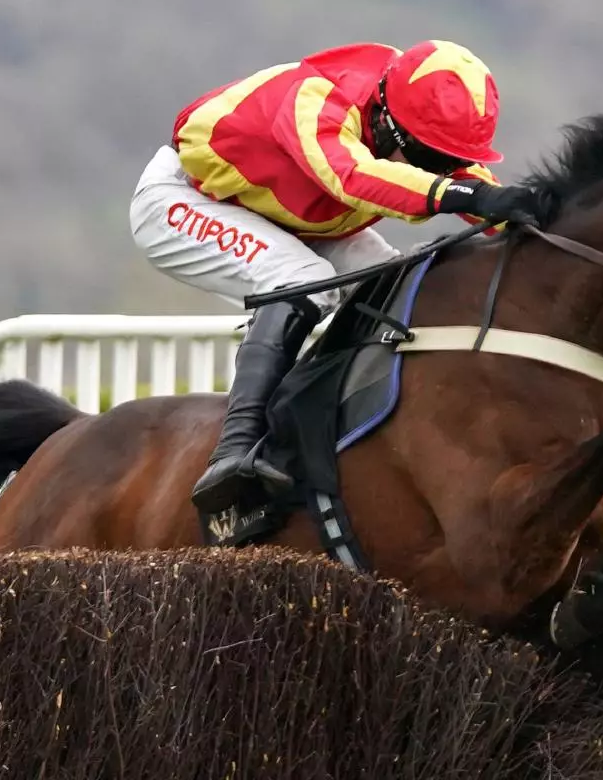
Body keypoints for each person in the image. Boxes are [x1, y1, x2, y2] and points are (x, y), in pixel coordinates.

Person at [128, 39, 541, 541]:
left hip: (301, 215)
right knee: (302, 282)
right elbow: (352, 176)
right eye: (427, 157)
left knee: (403, 287)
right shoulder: (317, 99)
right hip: (188, 198)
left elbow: (472, 187)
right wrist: (463, 194)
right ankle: (233, 460)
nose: (434, 171)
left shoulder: (407, 112)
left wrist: (533, 218)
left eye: (446, 160)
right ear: (385, 120)